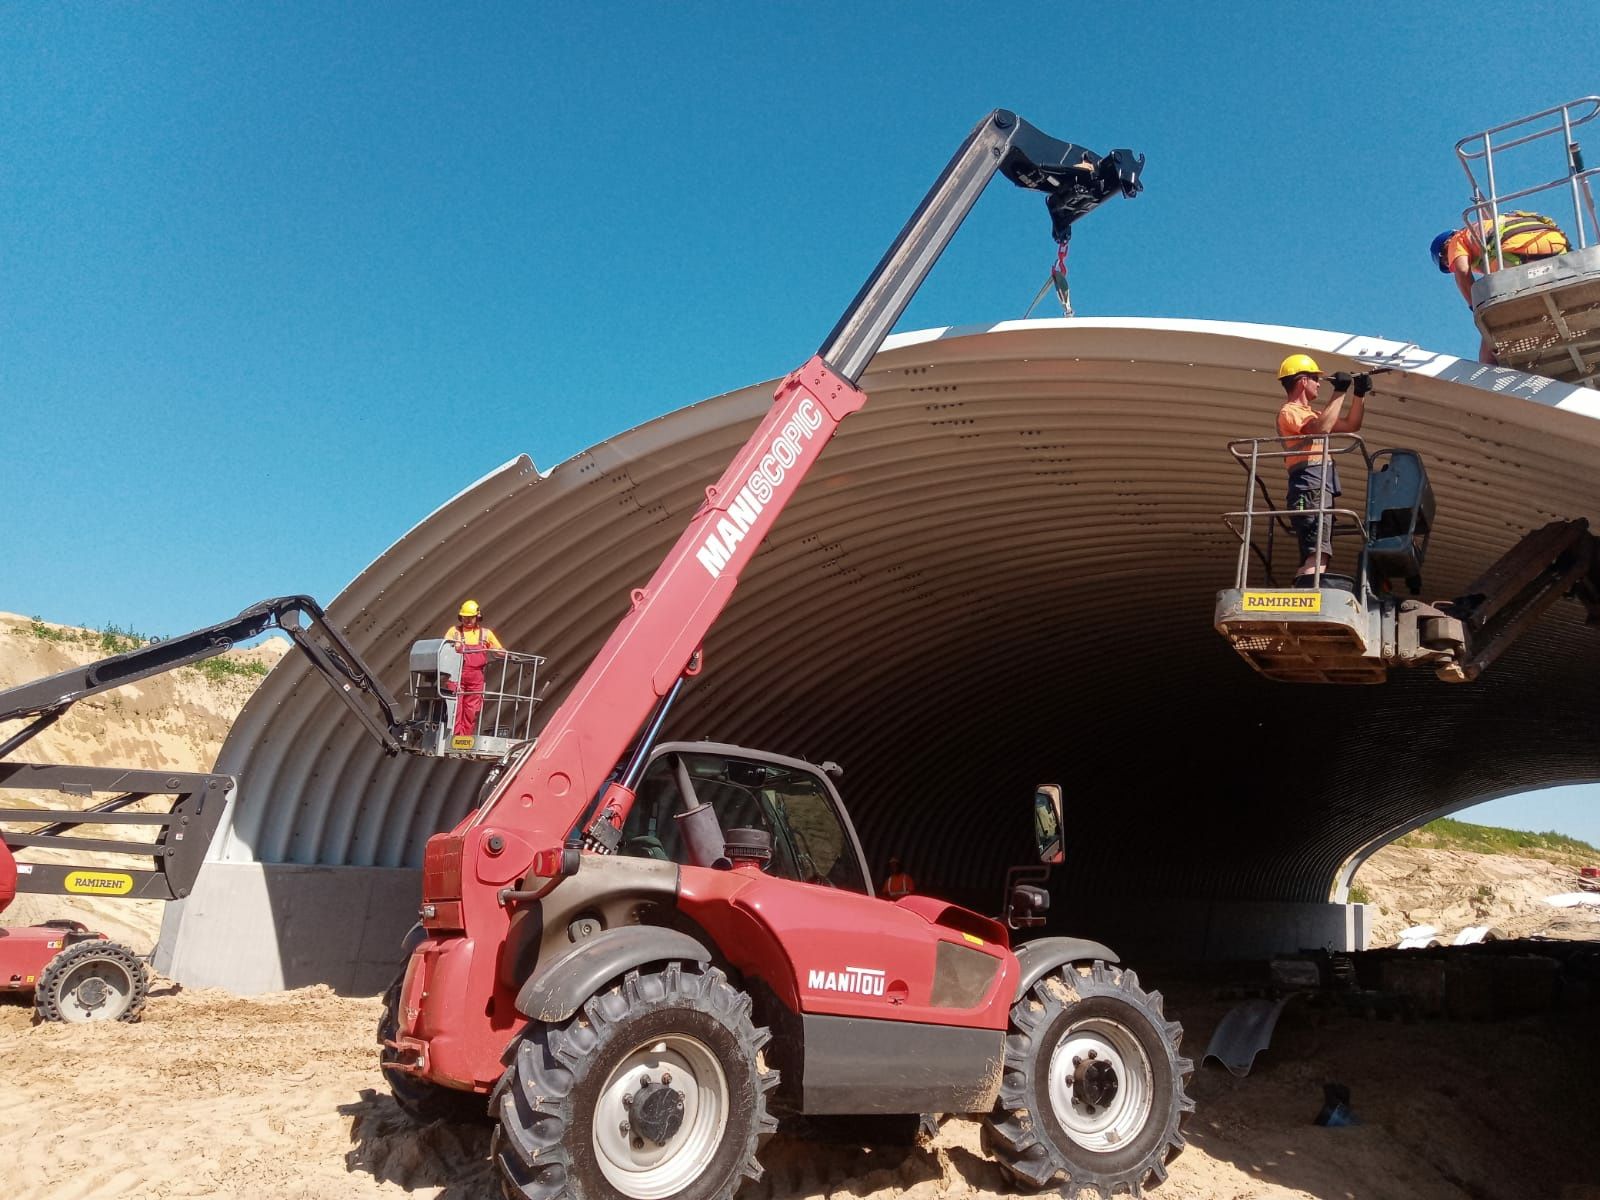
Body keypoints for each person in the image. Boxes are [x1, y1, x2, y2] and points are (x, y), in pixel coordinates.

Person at [1275, 353, 1371, 582]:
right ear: (1302, 381)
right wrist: (1339, 391)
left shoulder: (1313, 414)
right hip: (1308, 486)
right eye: (1315, 378)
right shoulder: (1289, 411)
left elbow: (1351, 425)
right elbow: (1319, 430)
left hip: (1316, 487)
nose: (1319, 383)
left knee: (1316, 550)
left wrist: (1358, 394)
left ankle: (1304, 589)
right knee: (1318, 553)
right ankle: (1308, 595)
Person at [1431, 213, 1570, 363]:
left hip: (1517, 250)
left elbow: (1462, 273)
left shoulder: (1457, 240)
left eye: (1446, 262)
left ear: (1444, 249)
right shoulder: (1485, 229)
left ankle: (1486, 373)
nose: (1450, 264)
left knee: (1493, 325)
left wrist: (1477, 309)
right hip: (1555, 246)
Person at [443, 599, 503, 738]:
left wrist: (505, 654)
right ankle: (453, 736)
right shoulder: (454, 632)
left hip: (476, 677)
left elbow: (499, 649)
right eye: (465, 617)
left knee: (472, 709)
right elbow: (444, 650)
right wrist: (454, 648)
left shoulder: (486, 634)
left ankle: (464, 738)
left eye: (471, 617)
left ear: (477, 616)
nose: (468, 620)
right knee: (455, 707)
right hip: (456, 675)